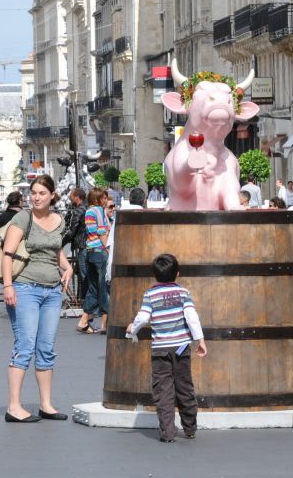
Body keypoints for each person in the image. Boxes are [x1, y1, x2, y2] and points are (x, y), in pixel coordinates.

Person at [1, 175, 73, 423]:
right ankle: (14, 406)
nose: (36, 197)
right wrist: (8, 286)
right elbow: (8, 254)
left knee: (46, 348)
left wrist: (68, 268)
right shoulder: (22, 218)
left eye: (42, 192)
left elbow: (56, 251)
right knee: (25, 346)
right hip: (25, 289)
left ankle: (46, 404)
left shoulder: (59, 220)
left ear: (53, 195)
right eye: (33, 192)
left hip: (52, 291)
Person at [126, 253, 207, 443]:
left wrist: (132, 329)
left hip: (160, 349)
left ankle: (168, 432)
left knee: (163, 390)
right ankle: (190, 427)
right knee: (185, 387)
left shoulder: (150, 294)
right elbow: (191, 317)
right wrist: (200, 340)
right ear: (177, 274)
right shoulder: (183, 293)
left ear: (155, 275)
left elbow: (144, 317)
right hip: (181, 348)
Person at [77, 188, 110, 334]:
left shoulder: (89, 211)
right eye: (103, 198)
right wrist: (108, 248)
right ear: (97, 199)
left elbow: (91, 231)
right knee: (103, 287)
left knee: (93, 287)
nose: (105, 201)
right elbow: (102, 231)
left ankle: (84, 320)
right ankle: (106, 323)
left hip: (90, 251)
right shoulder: (98, 210)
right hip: (99, 250)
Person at [61, 188, 88, 306]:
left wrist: (59, 244)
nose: (69, 198)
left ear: (77, 197)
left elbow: (72, 231)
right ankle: (82, 298)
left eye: (71, 196)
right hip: (88, 244)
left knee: (83, 274)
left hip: (82, 245)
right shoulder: (87, 207)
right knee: (82, 272)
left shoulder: (78, 210)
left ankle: (86, 301)